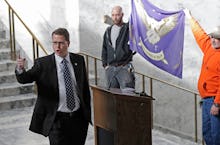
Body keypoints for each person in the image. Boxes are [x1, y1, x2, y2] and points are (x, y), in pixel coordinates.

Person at [15, 28, 91, 145]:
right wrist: (20, 68)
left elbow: (84, 88)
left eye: (61, 43)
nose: (57, 46)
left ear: (68, 43)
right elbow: (25, 78)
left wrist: (86, 114)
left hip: (78, 119)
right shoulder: (43, 64)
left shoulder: (79, 60)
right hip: (57, 120)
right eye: (55, 43)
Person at [184, 9, 220, 145]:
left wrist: (217, 103)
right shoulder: (209, 47)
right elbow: (200, 34)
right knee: (207, 132)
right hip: (206, 100)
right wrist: (190, 18)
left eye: (217, 38)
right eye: (212, 37)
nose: (213, 40)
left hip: (215, 101)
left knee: (216, 135)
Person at [101, 5, 135, 90]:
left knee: (128, 94)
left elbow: (134, 20)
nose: (115, 17)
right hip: (110, 68)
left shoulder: (127, 29)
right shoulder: (108, 31)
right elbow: (104, 48)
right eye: (113, 15)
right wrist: (105, 65)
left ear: (122, 15)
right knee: (112, 96)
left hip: (124, 66)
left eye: (117, 15)